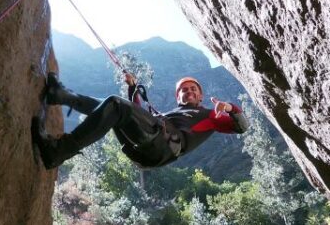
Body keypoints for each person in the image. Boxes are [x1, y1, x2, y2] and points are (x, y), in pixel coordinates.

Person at [32, 72, 249, 169]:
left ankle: (58, 151)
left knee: (115, 105)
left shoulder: (211, 116)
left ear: (201, 96)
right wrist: (132, 87)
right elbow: (137, 115)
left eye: (193, 89)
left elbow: (242, 126)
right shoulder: (173, 115)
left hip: (163, 147)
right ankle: (59, 96)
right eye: (184, 90)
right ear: (178, 97)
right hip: (150, 147)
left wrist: (230, 108)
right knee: (109, 106)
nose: (189, 92)